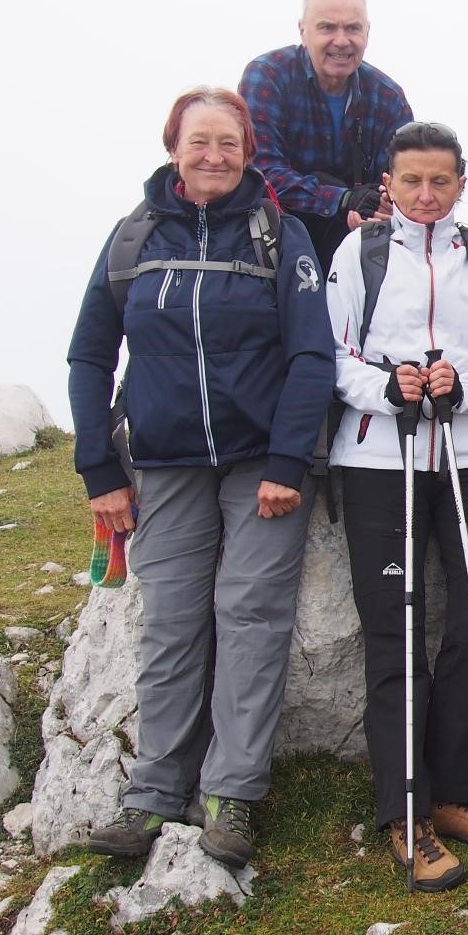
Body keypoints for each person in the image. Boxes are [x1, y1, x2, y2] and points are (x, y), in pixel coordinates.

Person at [69, 86, 334, 870]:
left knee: (250, 618)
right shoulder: (134, 237)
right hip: (162, 464)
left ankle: (231, 795)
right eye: (199, 142)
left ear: (248, 151)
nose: (213, 156)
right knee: (170, 625)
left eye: (228, 142)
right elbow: (89, 355)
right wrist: (98, 468)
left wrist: (288, 459)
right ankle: (152, 793)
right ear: (173, 149)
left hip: (263, 466)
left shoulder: (280, 236)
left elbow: (311, 354)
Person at [326, 121, 468, 892]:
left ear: (460, 183)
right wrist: (386, 386)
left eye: (439, 180)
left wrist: (462, 387)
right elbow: (332, 350)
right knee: (396, 627)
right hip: (381, 457)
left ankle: (451, 791)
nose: (425, 194)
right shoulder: (360, 252)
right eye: (410, 180)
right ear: (389, 183)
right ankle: (404, 813)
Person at [241, 0, 415, 267]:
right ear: (303, 31)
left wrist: (379, 206)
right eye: (327, 27)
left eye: (353, 28)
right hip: (276, 242)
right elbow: (260, 173)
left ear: (368, 32)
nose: (341, 40)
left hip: (362, 247)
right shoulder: (269, 76)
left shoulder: (388, 96)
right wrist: (342, 200)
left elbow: (405, 178)